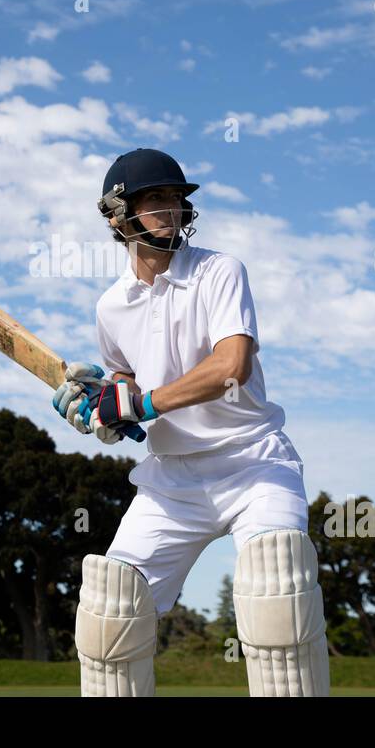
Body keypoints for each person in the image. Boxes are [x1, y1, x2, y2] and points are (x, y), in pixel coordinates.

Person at [53, 147, 331, 697]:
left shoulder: (219, 271)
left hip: (253, 461)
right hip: (171, 480)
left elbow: (231, 366)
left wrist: (141, 404)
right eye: (155, 199)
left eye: (177, 200)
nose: (171, 210)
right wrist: (101, 406)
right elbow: (128, 389)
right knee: (111, 613)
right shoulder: (110, 307)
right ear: (116, 214)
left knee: (278, 594)